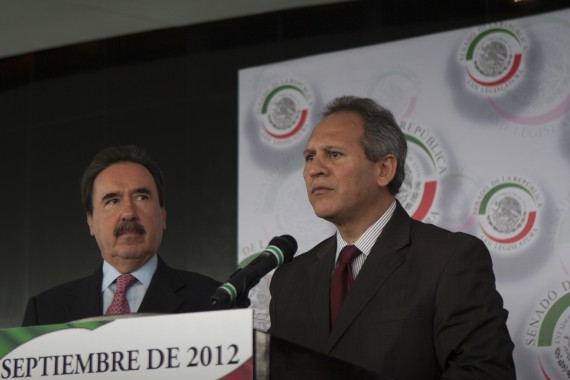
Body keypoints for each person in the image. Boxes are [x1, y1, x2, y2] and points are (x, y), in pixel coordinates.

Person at [268, 96, 516, 379]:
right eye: (310, 157)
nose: (314, 169)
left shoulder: (450, 258)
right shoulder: (289, 279)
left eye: (333, 154)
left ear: (384, 169)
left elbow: (484, 372)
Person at [22, 145, 222, 326]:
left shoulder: (213, 300)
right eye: (112, 200)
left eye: (142, 197)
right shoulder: (45, 311)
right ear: (90, 221)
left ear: (163, 216)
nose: (128, 212)